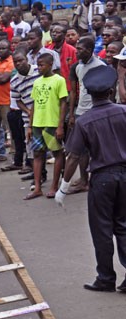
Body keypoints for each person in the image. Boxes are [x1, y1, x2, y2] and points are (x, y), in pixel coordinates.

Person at [56, 65, 126, 292]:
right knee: (123, 227)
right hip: (124, 174)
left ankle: (106, 278)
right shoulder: (123, 112)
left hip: (103, 177)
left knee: (102, 230)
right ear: (110, 91)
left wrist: (63, 186)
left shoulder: (85, 121)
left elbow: (74, 156)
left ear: (89, 94)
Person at [25, 53, 68, 200]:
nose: (39, 67)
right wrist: (30, 126)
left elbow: (63, 103)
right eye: (38, 64)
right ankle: (37, 187)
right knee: (37, 154)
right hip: (38, 123)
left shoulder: (59, 80)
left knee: (57, 153)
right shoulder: (37, 82)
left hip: (52, 123)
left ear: (50, 65)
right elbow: (34, 104)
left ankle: (54, 185)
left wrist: (60, 125)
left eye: (42, 65)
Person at [68, 37, 106, 193]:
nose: (77, 51)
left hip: (95, 110)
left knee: (98, 148)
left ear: (90, 50)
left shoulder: (100, 66)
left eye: (81, 49)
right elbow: (74, 91)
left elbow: (106, 91)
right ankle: (84, 180)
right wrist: (72, 114)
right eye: (77, 48)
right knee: (81, 149)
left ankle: (96, 179)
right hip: (81, 112)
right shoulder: (77, 67)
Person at [9, 50, 41, 174]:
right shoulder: (14, 80)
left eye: (21, 60)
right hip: (28, 118)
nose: (18, 63)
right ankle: (36, 174)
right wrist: (28, 111)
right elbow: (18, 101)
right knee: (31, 149)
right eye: (15, 62)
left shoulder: (38, 71)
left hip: (46, 115)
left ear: (26, 60)